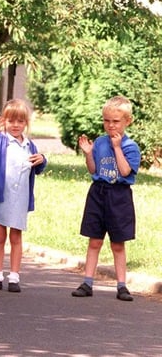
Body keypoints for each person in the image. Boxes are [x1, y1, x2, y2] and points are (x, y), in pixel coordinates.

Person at [71, 96, 140, 301]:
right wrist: (89, 154)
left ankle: (121, 285)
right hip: (98, 193)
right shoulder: (100, 142)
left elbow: (126, 170)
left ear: (127, 121)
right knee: (94, 240)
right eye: (106, 120)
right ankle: (87, 282)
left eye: (116, 121)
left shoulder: (130, 146)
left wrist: (117, 147)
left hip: (119, 196)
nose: (110, 125)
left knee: (118, 243)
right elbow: (94, 169)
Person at [0, 99, 46, 293]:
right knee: (0, 235)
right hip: (0, 194)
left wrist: (42, 160)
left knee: (16, 235)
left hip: (20, 196)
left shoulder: (29, 145)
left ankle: (14, 276)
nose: (15, 125)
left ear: (26, 123)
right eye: (11, 121)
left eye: (20, 121)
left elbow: (38, 166)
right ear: (4, 121)